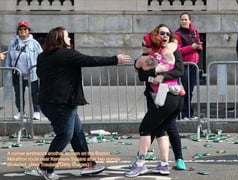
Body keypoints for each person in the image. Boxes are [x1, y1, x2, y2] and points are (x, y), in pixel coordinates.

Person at [35, 26, 131, 180]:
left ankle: (88, 165)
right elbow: (90, 60)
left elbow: (40, 74)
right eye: (67, 36)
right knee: (64, 136)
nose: (69, 39)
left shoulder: (42, 56)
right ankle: (46, 167)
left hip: (49, 102)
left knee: (77, 133)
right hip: (61, 103)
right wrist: (115, 59)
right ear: (59, 38)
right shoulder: (66, 55)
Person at [125, 24, 184, 178]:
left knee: (145, 129)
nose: (143, 47)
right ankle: (164, 165)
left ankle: (140, 164)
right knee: (160, 130)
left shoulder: (149, 58)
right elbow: (147, 72)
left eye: (144, 44)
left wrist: (157, 72)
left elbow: (138, 67)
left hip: (165, 98)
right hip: (176, 98)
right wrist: (158, 70)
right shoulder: (165, 54)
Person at [5, 21, 42, 120]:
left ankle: (36, 111)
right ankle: (21, 112)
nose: (23, 31)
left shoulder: (34, 43)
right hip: (17, 73)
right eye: (20, 29)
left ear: (28, 31)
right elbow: (9, 57)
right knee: (19, 94)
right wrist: (8, 69)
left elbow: (41, 56)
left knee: (35, 93)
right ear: (18, 31)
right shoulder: (13, 43)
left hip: (32, 73)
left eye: (25, 29)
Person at [175, 12, 202, 120]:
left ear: (190, 21)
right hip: (184, 65)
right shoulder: (178, 34)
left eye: (186, 19)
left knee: (190, 90)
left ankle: (189, 113)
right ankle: (183, 114)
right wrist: (192, 47)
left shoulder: (194, 31)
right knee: (184, 90)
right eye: (182, 19)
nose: (184, 21)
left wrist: (199, 47)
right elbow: (178, 50)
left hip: (194, 65)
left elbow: (198, 43)